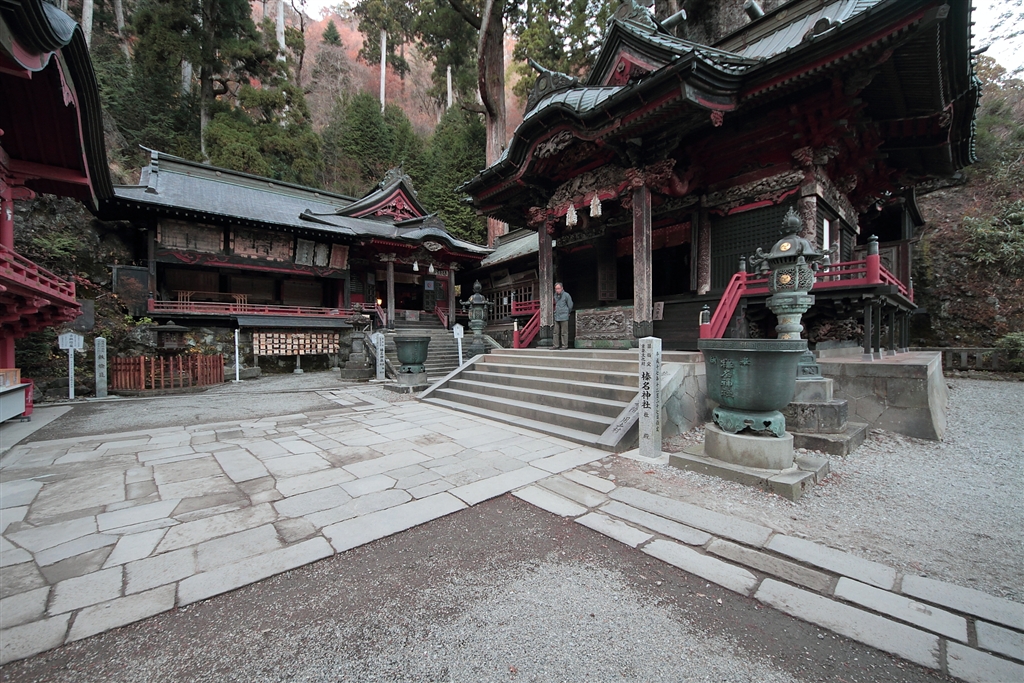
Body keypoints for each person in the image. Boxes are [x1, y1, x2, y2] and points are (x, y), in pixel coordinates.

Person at [553, 282, 573, 349]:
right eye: (556, 289)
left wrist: (568, 312)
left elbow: (570, 305)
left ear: (562, 288)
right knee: (555, 332)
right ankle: (555, 345)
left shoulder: (566, 295)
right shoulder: (555, 295)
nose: (557, 290)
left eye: (558, 288)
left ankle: (564, 345)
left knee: (564, 332)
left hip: (564, 315)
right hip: (557, 315)